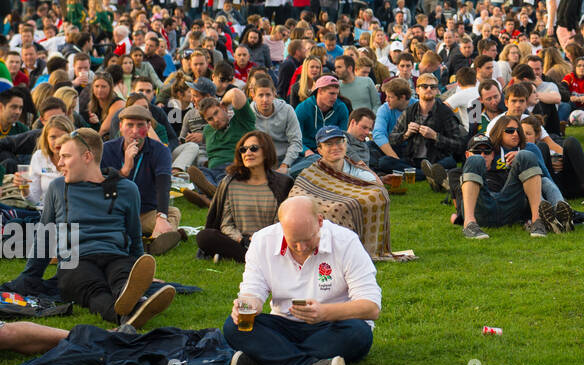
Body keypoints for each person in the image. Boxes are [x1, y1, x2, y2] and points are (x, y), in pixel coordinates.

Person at [29, 127, 175, 329]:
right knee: (93, 287)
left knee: (122, 278)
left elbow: (133, 235)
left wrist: (141, 270)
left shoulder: (127, 189)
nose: (59, 163)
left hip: (115, 255)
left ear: (87, 156)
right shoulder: (58, 187)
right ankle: (131, 312)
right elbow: (45, 236)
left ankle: (132, 299)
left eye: (65, 156)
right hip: (75, 260)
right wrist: (30, 276)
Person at [226, 196, 381, 365]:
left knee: (358, 333)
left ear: (320, 221)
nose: (301, 248)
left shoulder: (345, 241)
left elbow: (371, 307)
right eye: (294, 242)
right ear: (281, 227)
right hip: (283, 324)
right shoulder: (262, 241)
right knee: (233, 326)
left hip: (332, 325)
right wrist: (247, 306)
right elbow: (252, 291)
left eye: (308, 239)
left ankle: (266, 358)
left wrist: (324, 312)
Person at [289, 125, 391, 258]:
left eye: (339, 142)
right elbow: (295, 198)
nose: (335, 147)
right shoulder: (310, 174)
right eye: (329, 144)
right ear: (319, 150)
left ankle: (356, 251)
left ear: (346, 145)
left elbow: (377, 193)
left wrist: (346, 204)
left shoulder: (360, 174)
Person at [198, 130, 294, 262]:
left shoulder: (282, 183)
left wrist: (259, 238)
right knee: (205, 237)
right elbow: (226, 224)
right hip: (240, 241)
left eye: (253, 149)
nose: (248, 153)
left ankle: (235, 255)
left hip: (270, 241)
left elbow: (282, 223)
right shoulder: (230, 182)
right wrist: (242, 240)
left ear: (266, 152)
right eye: (243, 150)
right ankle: (253, 257)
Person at [453, 131, 565, 239]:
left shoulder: (505, 170)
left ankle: (538, 222)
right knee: (476, 161)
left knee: (526, 155)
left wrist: (519, 157)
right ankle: (469, 224)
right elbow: (459, 201)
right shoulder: (457, 173)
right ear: (467, 154)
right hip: (481, 208)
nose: (483, 155)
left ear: (492, 155)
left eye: (487, 151)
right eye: (477, 151)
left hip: (508, 207)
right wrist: (457, 218)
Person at [100, 104, 180, 255]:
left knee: (172, 213)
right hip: (113, 212)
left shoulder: (160, 150)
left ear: (149, 127)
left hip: (144, 212)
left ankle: (155, 239)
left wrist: (161, 217)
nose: (135, 131)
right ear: (120, 126)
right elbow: (98, 183)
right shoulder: (106, 149)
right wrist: (124, 171)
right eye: (129, 125)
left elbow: (163, 184)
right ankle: (151, 241)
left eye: (140, 125)